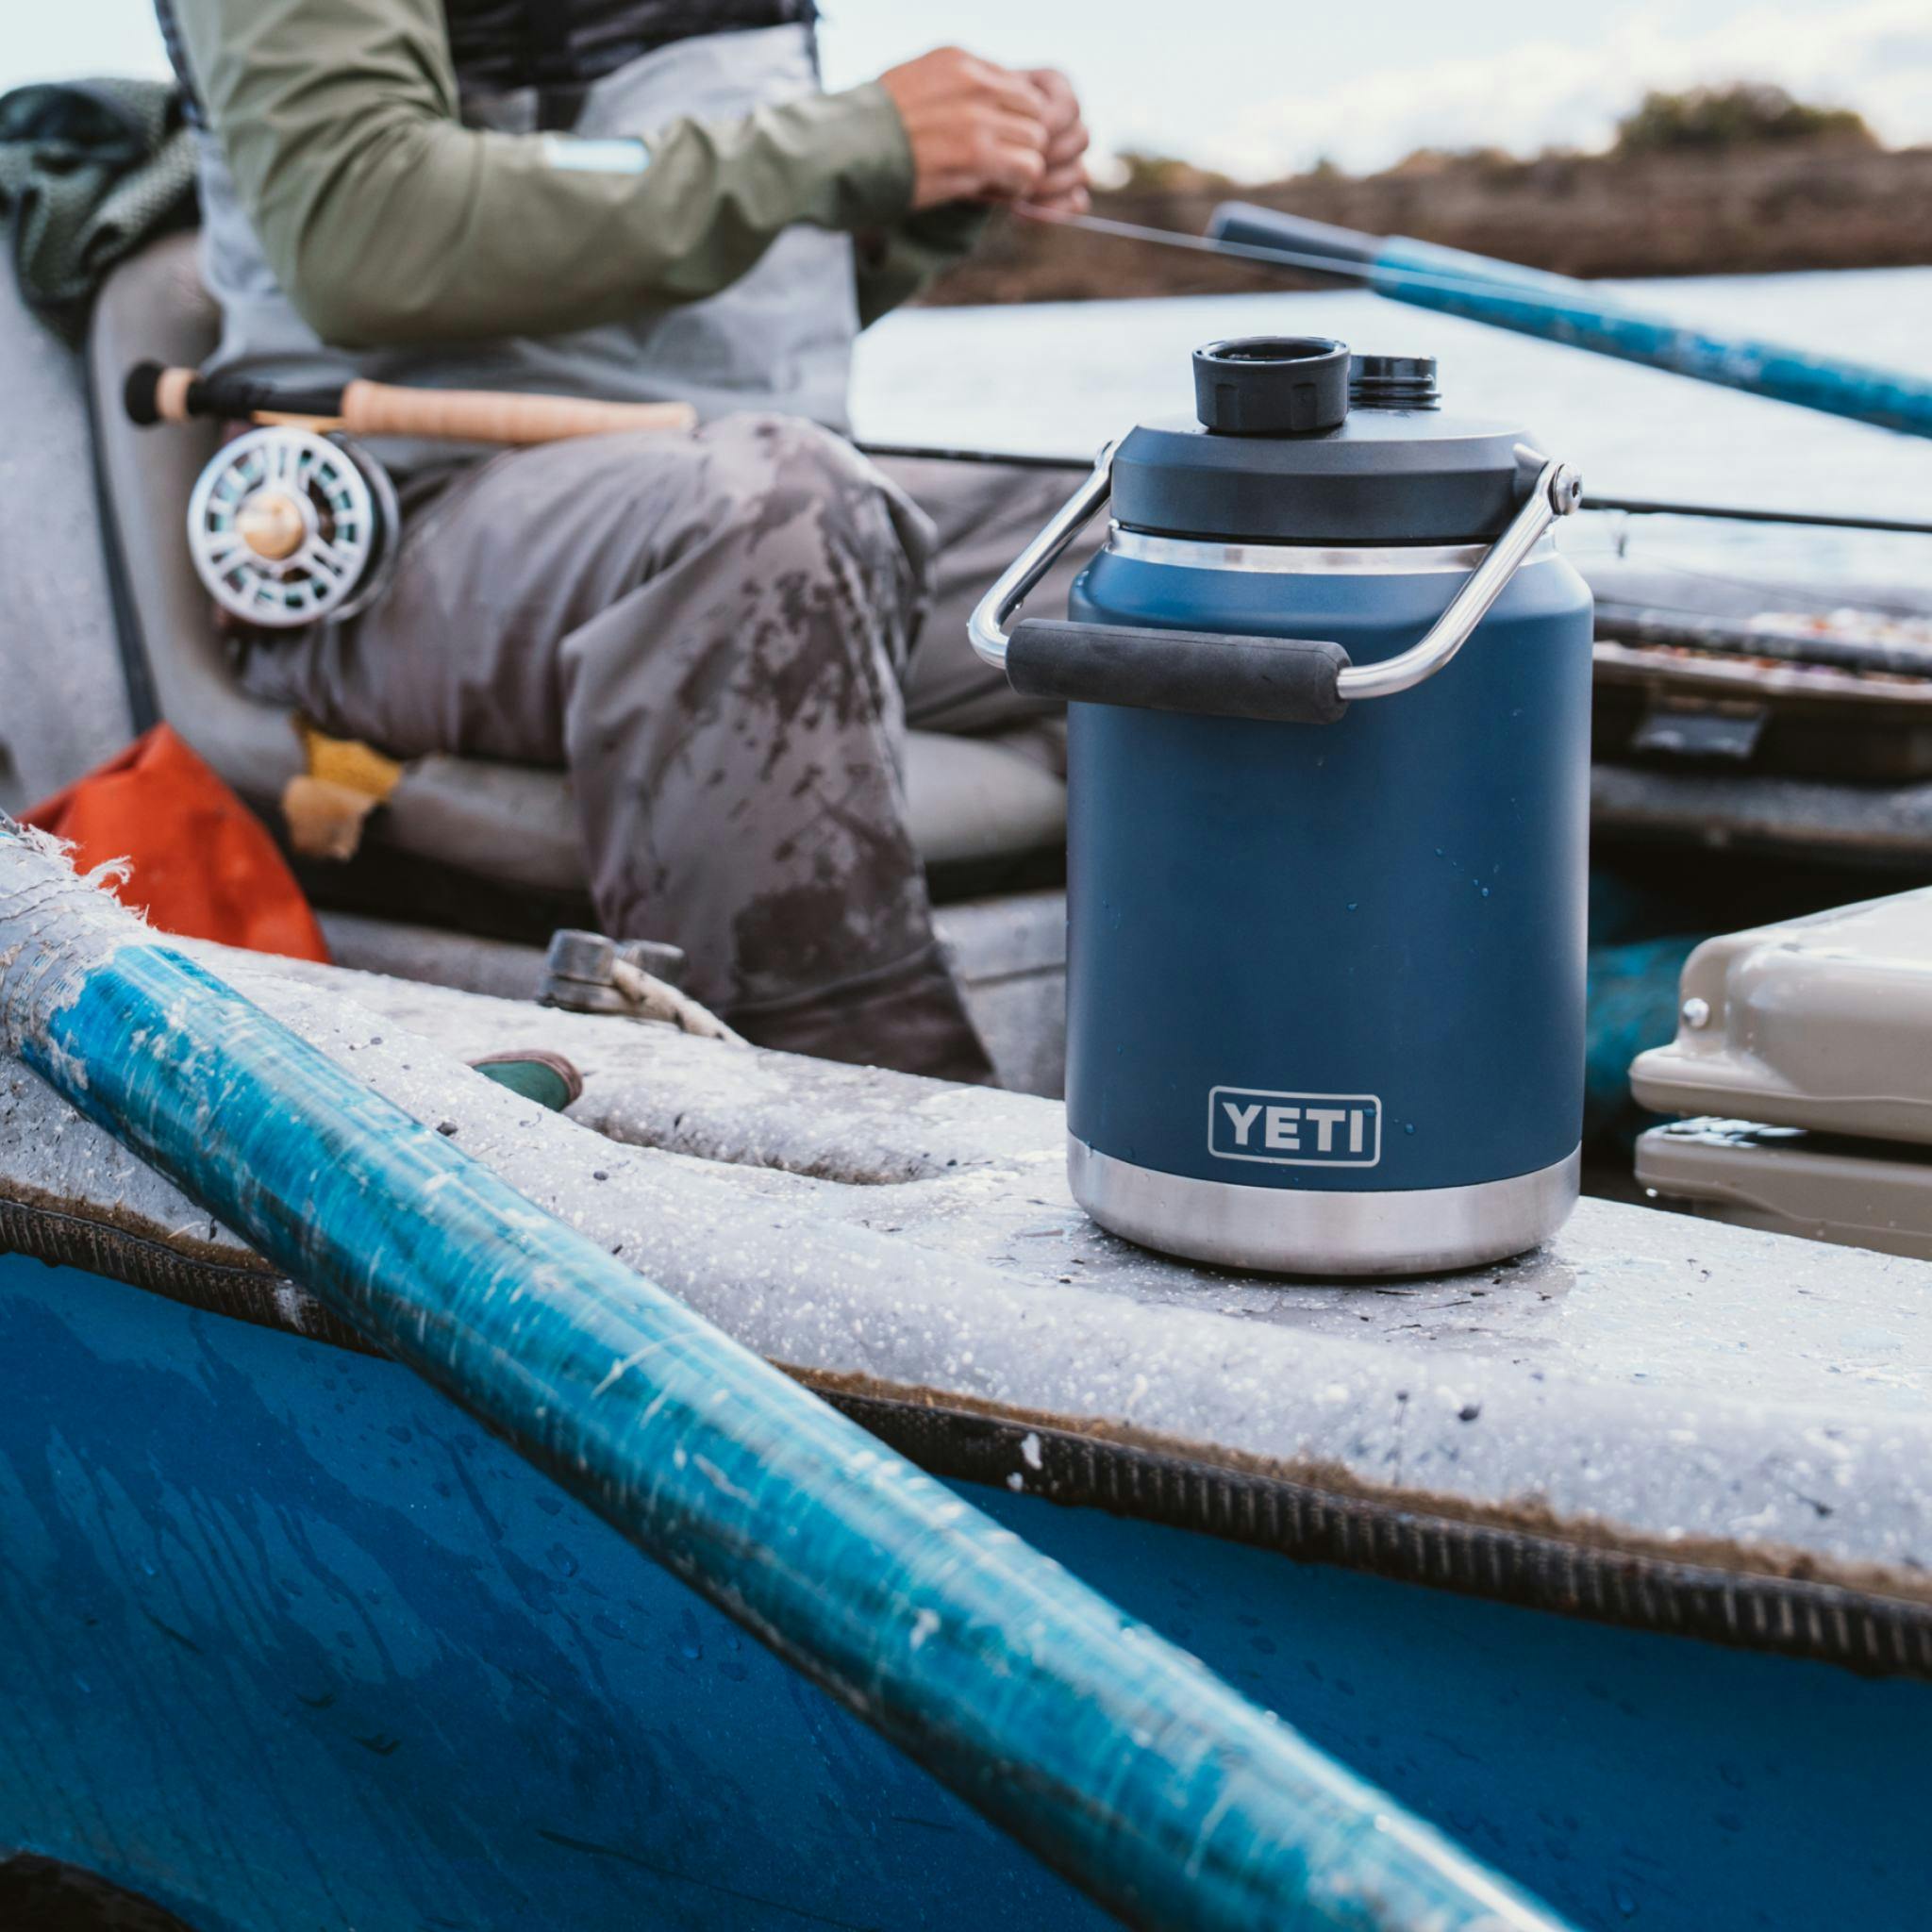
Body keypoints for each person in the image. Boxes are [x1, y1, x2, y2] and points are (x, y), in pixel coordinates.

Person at [155, 0, 1098, 1082]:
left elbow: (705, 277)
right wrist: (850, 142)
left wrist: (917, 196)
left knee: (1196, 545)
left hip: (772, 505)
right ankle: (863, 1157)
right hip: (410, 527)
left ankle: (1225, 1142)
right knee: (768, 512)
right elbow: (361, 229)